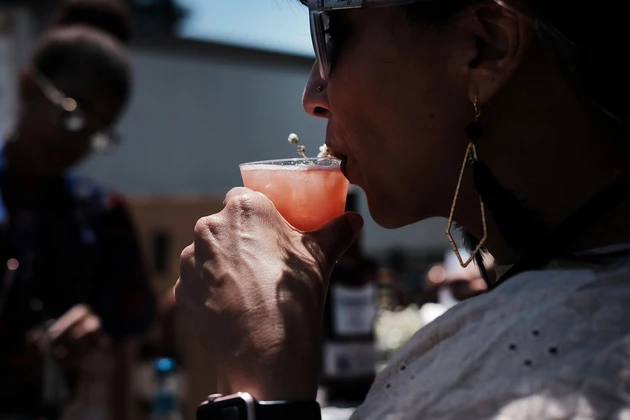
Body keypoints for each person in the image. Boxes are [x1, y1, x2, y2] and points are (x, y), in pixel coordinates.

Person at [175, 0, 629, 418]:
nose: (312, 95)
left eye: (331, 33)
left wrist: (261, 380)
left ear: (483, 47)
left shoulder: (538, 378)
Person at [0, 1, 155, 419]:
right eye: (72, 114)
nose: (80, 142)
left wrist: (95, 340)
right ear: (28, 86)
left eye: (99, 131)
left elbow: (131, 346)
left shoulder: (102, 217)